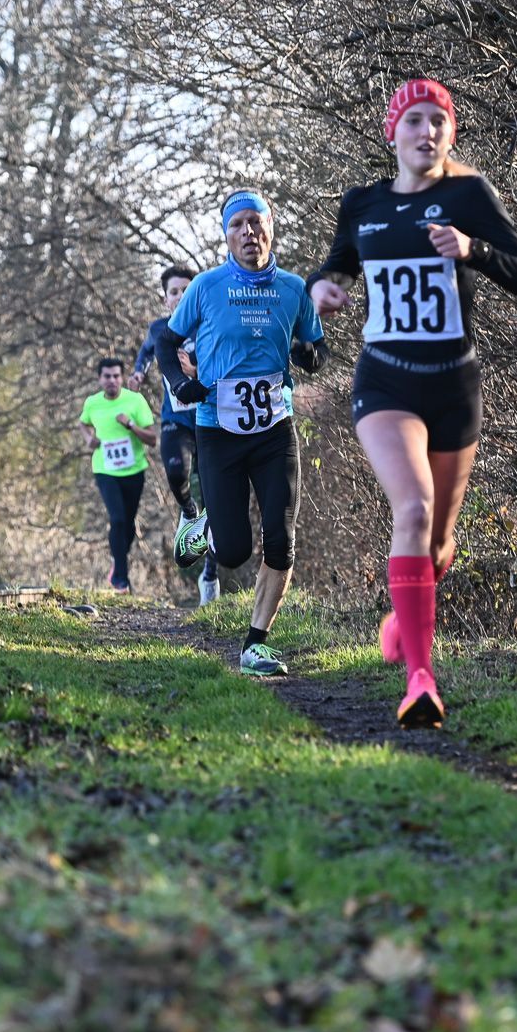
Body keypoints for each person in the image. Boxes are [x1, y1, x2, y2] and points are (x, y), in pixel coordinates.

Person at [309, 79, 517, 727]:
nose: (426, 132)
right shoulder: (363, 205)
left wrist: (474, 250)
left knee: (439, 543)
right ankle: (420, 678)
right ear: (393, 132)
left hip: (453, 386)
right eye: (414, 120)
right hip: (385, 382)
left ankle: (402, 619)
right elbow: (332, 269)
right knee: (411, 509)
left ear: (450, 134)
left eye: (438, 121)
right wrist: (320, 292)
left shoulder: (467, 197)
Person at [157, 190, 325, 675]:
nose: (249, 233)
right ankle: (200, 521)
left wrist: (307, 355)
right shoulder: (206, 287)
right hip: (219, 429)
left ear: (271, 228)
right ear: (227, 235)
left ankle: (256, 643)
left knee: (281, 540)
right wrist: (180, 383)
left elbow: (316, 348)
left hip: (275, 429)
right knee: (231, 551)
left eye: (257, 223)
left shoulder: (294, 288)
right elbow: (167, 343)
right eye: (239, 225)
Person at [132, 265, 215, 600]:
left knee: (217, 501)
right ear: (165, 299)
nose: (180, 296)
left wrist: (198, 371)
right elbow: (146, 352)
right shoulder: (160, 329)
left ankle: (209, 575)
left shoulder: (209, 325)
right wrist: (138, 374)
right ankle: (187, 510)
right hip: (175, 419)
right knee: (176, 470)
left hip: (211, 420)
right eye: (174, 292)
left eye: (186, 290)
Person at [78, 358, 157, 592]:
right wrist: (88, 439)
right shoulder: (92, 403)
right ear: (99, 379)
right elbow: (83, 423)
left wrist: (131, 425)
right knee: (118, 519)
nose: (112, 380)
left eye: (116, 376)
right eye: (107, 376)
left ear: (122, 378)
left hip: (134, 471)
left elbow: (152, 439)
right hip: (105, 470)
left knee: (129, 525)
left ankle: (117, 561)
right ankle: (121, 579)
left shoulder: (135, 401)